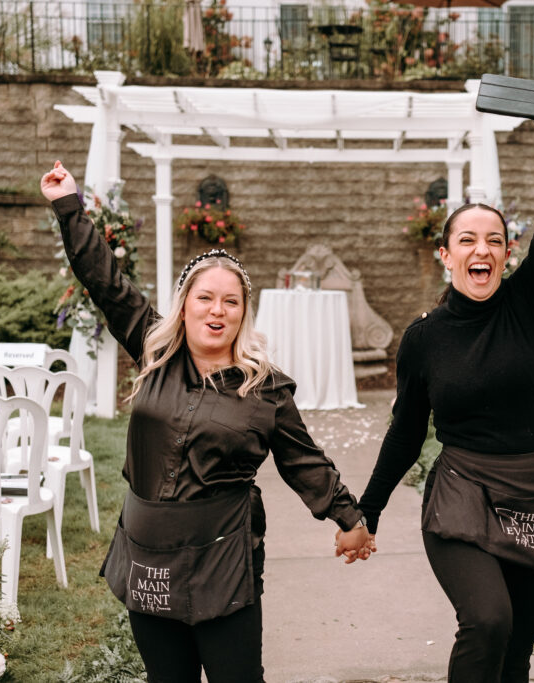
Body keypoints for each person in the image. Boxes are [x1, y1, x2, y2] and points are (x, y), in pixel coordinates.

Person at [39, 163, 371, 683]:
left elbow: (302, 459)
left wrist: (349, 519)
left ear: (243, 313)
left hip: (222, 557)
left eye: (231, 301)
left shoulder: (266, 389)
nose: (217, 310)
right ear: (184, 305)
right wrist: (68, 207)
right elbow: (103, 279)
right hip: (147, 550)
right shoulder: (153, 347)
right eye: (205, 298)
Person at [354, 72, 534, 683]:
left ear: (507, 254)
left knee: (514, 656)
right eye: (467, 240)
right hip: (462, 499)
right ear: (446, 254)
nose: (481, 249)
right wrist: (366, 513)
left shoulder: (528, 306)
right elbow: (407, 431)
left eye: (494, 240)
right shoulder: (425, 338)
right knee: (487, 622)